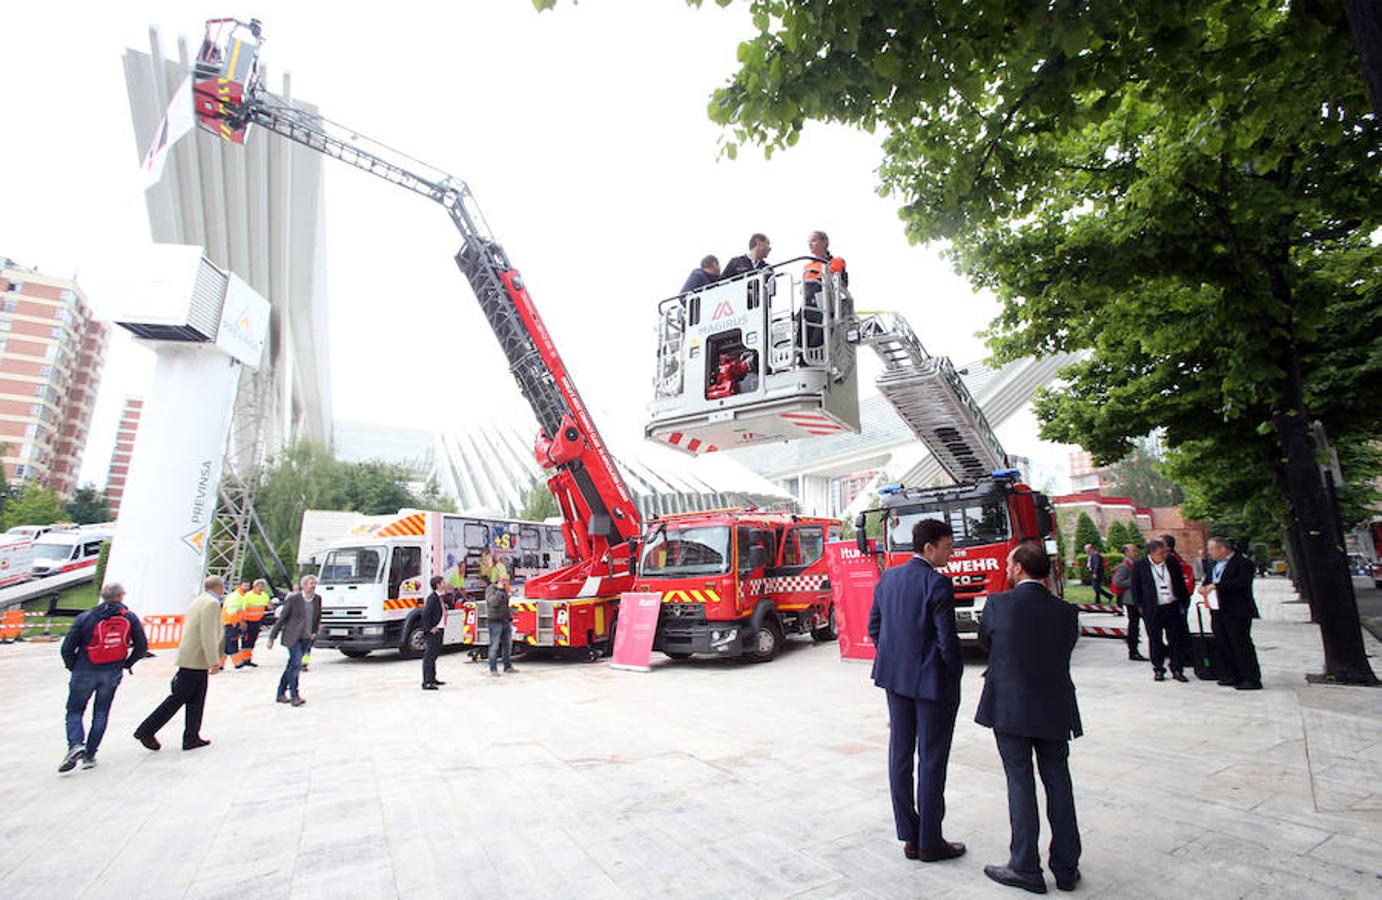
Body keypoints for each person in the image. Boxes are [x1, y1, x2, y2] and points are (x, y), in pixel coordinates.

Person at [977, 542, 1082, 894]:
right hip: (1054, 706)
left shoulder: (998, 604)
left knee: (1020, 783)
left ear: (1020, 567)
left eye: (1009, 562)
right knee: (1059, 782)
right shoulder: (1066, 611)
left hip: (1011, 707)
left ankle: (1025, 866)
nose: (1006, 567)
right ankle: (1066, 867)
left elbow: (986, 643)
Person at [867, 518, 965, 863]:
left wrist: (896, 658)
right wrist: (953, 674)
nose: (950, 554)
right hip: (931, 684)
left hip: (895, 680)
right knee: (932, 759)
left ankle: (910, 835)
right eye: (947, 547)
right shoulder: (937, 584)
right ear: (929, 548)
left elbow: (874, 628)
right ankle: (930, 841)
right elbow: (947, 642)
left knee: (900, 756)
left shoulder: (888, 578)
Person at [58, 582, 148, 772]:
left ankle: (75, 744)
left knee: (74, 711)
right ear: (121, 597)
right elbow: (141, 646)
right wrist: (127, 663)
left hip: (84, 668)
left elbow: (67, 648)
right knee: (101, 713)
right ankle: (90, 755)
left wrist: (73, 666)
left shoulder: (87, 617)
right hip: (112, 671)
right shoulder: (129, 618)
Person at [134, 576, 224, 752]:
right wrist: (214, 660)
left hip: (191, 657)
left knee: (196, 700)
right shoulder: (212, 604)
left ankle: (192, 736)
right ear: (219, 587)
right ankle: (146, 730)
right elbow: (208, 634)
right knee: (178, 698)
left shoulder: (198, 600)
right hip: (196, 659)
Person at [1199, 537, 1262, 690]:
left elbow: (1241, 583)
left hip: (1237, 610)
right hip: (1217, 609)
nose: (1209, 552)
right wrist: (1204, 587)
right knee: (1223, 642)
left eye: (1212, 549)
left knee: (1240, 643)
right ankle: (1230, 674)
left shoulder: (1242, 563)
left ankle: (1250, 677)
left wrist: (1217, 586)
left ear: (1223, 549)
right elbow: (1208, 581)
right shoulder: (1214, 565)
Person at [1129, 539, 1191, 682]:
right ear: (1151, 553)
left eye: (1165, 552)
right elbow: (1135, 588)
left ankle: (1177, 668)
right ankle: (1158, 668)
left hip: (1171, 606)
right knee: (1155, 639)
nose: (1164, 555)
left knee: (1175, 639)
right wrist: (1140, 606)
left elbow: (1180, 584)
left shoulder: (1172, 563)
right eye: (1160, 553)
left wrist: (1184, 601)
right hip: (1152, 608)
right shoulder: (1140, 566)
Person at [268, 575, 321, 706]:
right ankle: (294, 695)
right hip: (293, 637)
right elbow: (282, 618)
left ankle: (280, 693)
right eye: (310, 583)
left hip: (306, 637)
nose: (313, 586)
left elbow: (317, 617)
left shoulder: (317, 599)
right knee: (296, 665)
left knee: (292, 666)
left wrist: (314, 632)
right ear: (303, 585)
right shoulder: (294, 599)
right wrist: (272, 637)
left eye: (314, 583)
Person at [1111, 543, 1147, 661]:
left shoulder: (1133, 564)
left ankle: (1134, 649)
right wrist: (1134, 581)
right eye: (1133, 551)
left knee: (1136, 624)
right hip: (1131, 599)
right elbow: (1118, 581)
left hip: (1136, 598)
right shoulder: (1124, 566)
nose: (1136, 553)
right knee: (1134, 625)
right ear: (1126, 552)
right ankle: (1133, 650)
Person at [486, 556, 517, 676]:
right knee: (494, 646)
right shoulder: (491, 589)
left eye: (506, 580)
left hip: (505, 621)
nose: (506, 582)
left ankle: (507, 666)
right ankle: (493, 669)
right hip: (495, 622)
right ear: (498, 579)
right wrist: (499, 591)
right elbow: (493, 603)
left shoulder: (504, 590)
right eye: (503, 580)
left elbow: (505, 604)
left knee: (507, 645)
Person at [421, 575, 448, 690]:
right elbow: (425, 614)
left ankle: (433, 678)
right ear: (437, 585)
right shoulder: (432, 598)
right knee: (429, 656)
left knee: (434, 655)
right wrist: (430, 628)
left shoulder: (439, 597)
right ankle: (427, 682)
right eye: (443, 582)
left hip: (439, 629)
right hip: (433, 631)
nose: (445, 584)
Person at [238, 578, 271, 667]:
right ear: (255, 586)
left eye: (263, 586)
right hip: (248, 621)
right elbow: (242, 609)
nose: (261, 588)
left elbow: (268, 605)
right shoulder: (248, 596)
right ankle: (242, 659)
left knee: (253, 640)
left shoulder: (264, 595)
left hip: (257, 621)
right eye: (260, 586)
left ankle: (248, 659)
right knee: (246, 640)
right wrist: (242, 621)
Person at [221, 580, 246, 669]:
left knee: (227, 644)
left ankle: (220, 664)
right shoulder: (237, 596)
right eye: (245, 585)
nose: (247, 587)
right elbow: (232, 611)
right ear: (239, 586)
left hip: (230, 622)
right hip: (232, 623)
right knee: (232, 643)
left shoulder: (238, 596)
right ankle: (238, 664)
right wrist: (237, 622)